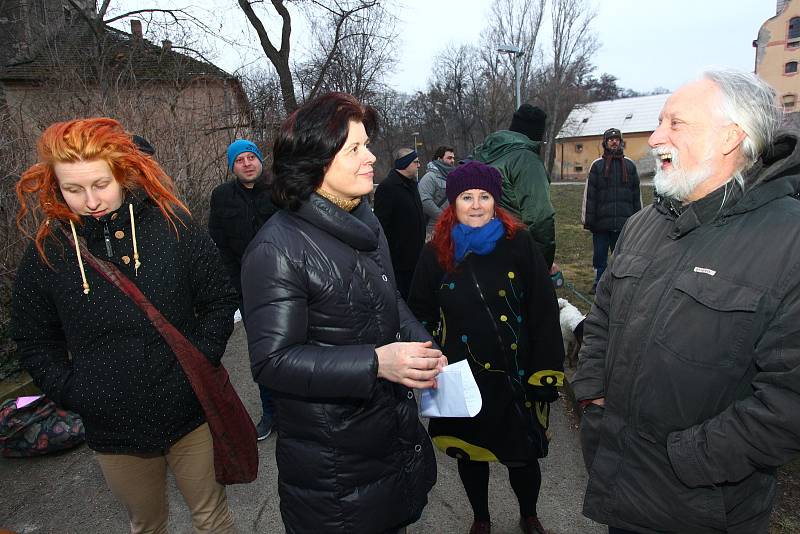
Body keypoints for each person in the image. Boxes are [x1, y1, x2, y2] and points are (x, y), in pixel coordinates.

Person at [573, 69, 800, 533]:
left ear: (730, 138)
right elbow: (601, 317)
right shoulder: (643, 223)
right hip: (620, 489)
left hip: (703, 509)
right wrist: (592, 394)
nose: (655, 138)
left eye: (674, 123)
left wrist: (691, 459)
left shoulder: (790, 241)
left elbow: (789, 399)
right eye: (659, 121)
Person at [11, 118, 239, 533]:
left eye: (101, 184)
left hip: (190, 412)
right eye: (74, 190)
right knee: (146, 524)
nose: (91, 200)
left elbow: (219, 299)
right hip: (114, 429)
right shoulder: (48, 253)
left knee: (212, 518)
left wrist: (201, 359)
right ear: (55, 186)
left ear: (123, 172)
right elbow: (32, 339)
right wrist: (75, 392)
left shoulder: (174, 225)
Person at [241, 92, 447, 534]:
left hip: (386, 437)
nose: (371, 156)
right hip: (333, 468)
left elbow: (388, 298)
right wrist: (377, 362)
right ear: (315, 162)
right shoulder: (277, 248)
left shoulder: (364, 221)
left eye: (366, 143)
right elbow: (272, 362)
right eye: (354, 148)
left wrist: (422, 345)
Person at [408, 161, 565, 534]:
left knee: (523, 458)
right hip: (463, 377)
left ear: (495, 201)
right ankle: (481, 517)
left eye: (484, 196)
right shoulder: (436, 253)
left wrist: (546, 369)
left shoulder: (519, 243)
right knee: (470, 454)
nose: (476, 205)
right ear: (452, 203)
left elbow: (543, 307)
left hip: (517, 373)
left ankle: (529, 514)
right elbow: (418, 312)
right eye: (467, 197)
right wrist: (429, 360)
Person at [209, 138, 278, 440]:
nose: (247, 163)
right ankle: (271, 412)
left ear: (261, 161)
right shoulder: (222, 197)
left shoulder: (281, 190)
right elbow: (220, 246)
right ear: (232, 166)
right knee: (263, 354)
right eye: (240, 160)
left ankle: (300, 413)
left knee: (298, 347)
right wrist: (235, 289)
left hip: (287, 286)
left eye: (252, 157)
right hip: (249, 293)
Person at [472, 104, 556, 268]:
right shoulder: (526, 160)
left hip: (477, 248)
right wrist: (542, 265)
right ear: (537, 134)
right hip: (512, 251)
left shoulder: (482, 155)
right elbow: (541, 219)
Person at [580, 128, 641, 294]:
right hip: (601, 222)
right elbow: (589, 194)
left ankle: (618, 283)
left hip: (623, 222)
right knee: (599, 256)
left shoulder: (629, 165)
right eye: (610, 139)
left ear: (621, 142)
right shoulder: (597, 165)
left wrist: (638, 220)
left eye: (616, 139)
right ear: (605, 142)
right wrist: (588, 219)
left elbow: (636, 195)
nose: (614, 142)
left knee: (620, 255)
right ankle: (599, 281)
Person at [373, 147, 427, 298]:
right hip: (399, 262)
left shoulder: (412, 185)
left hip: (416, 256)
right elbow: (381, 225)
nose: (419, 165)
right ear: (405, 163)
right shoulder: (387, 188)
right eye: (415, 162)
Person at [418, 145, 456, 236]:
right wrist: (443, 217)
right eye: (449, 158)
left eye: (453, 158)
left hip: (450, 227)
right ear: (439, 159)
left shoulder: (453, 177)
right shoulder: (430, 177)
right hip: (434, 229)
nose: (453, 161)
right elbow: (424, 201)